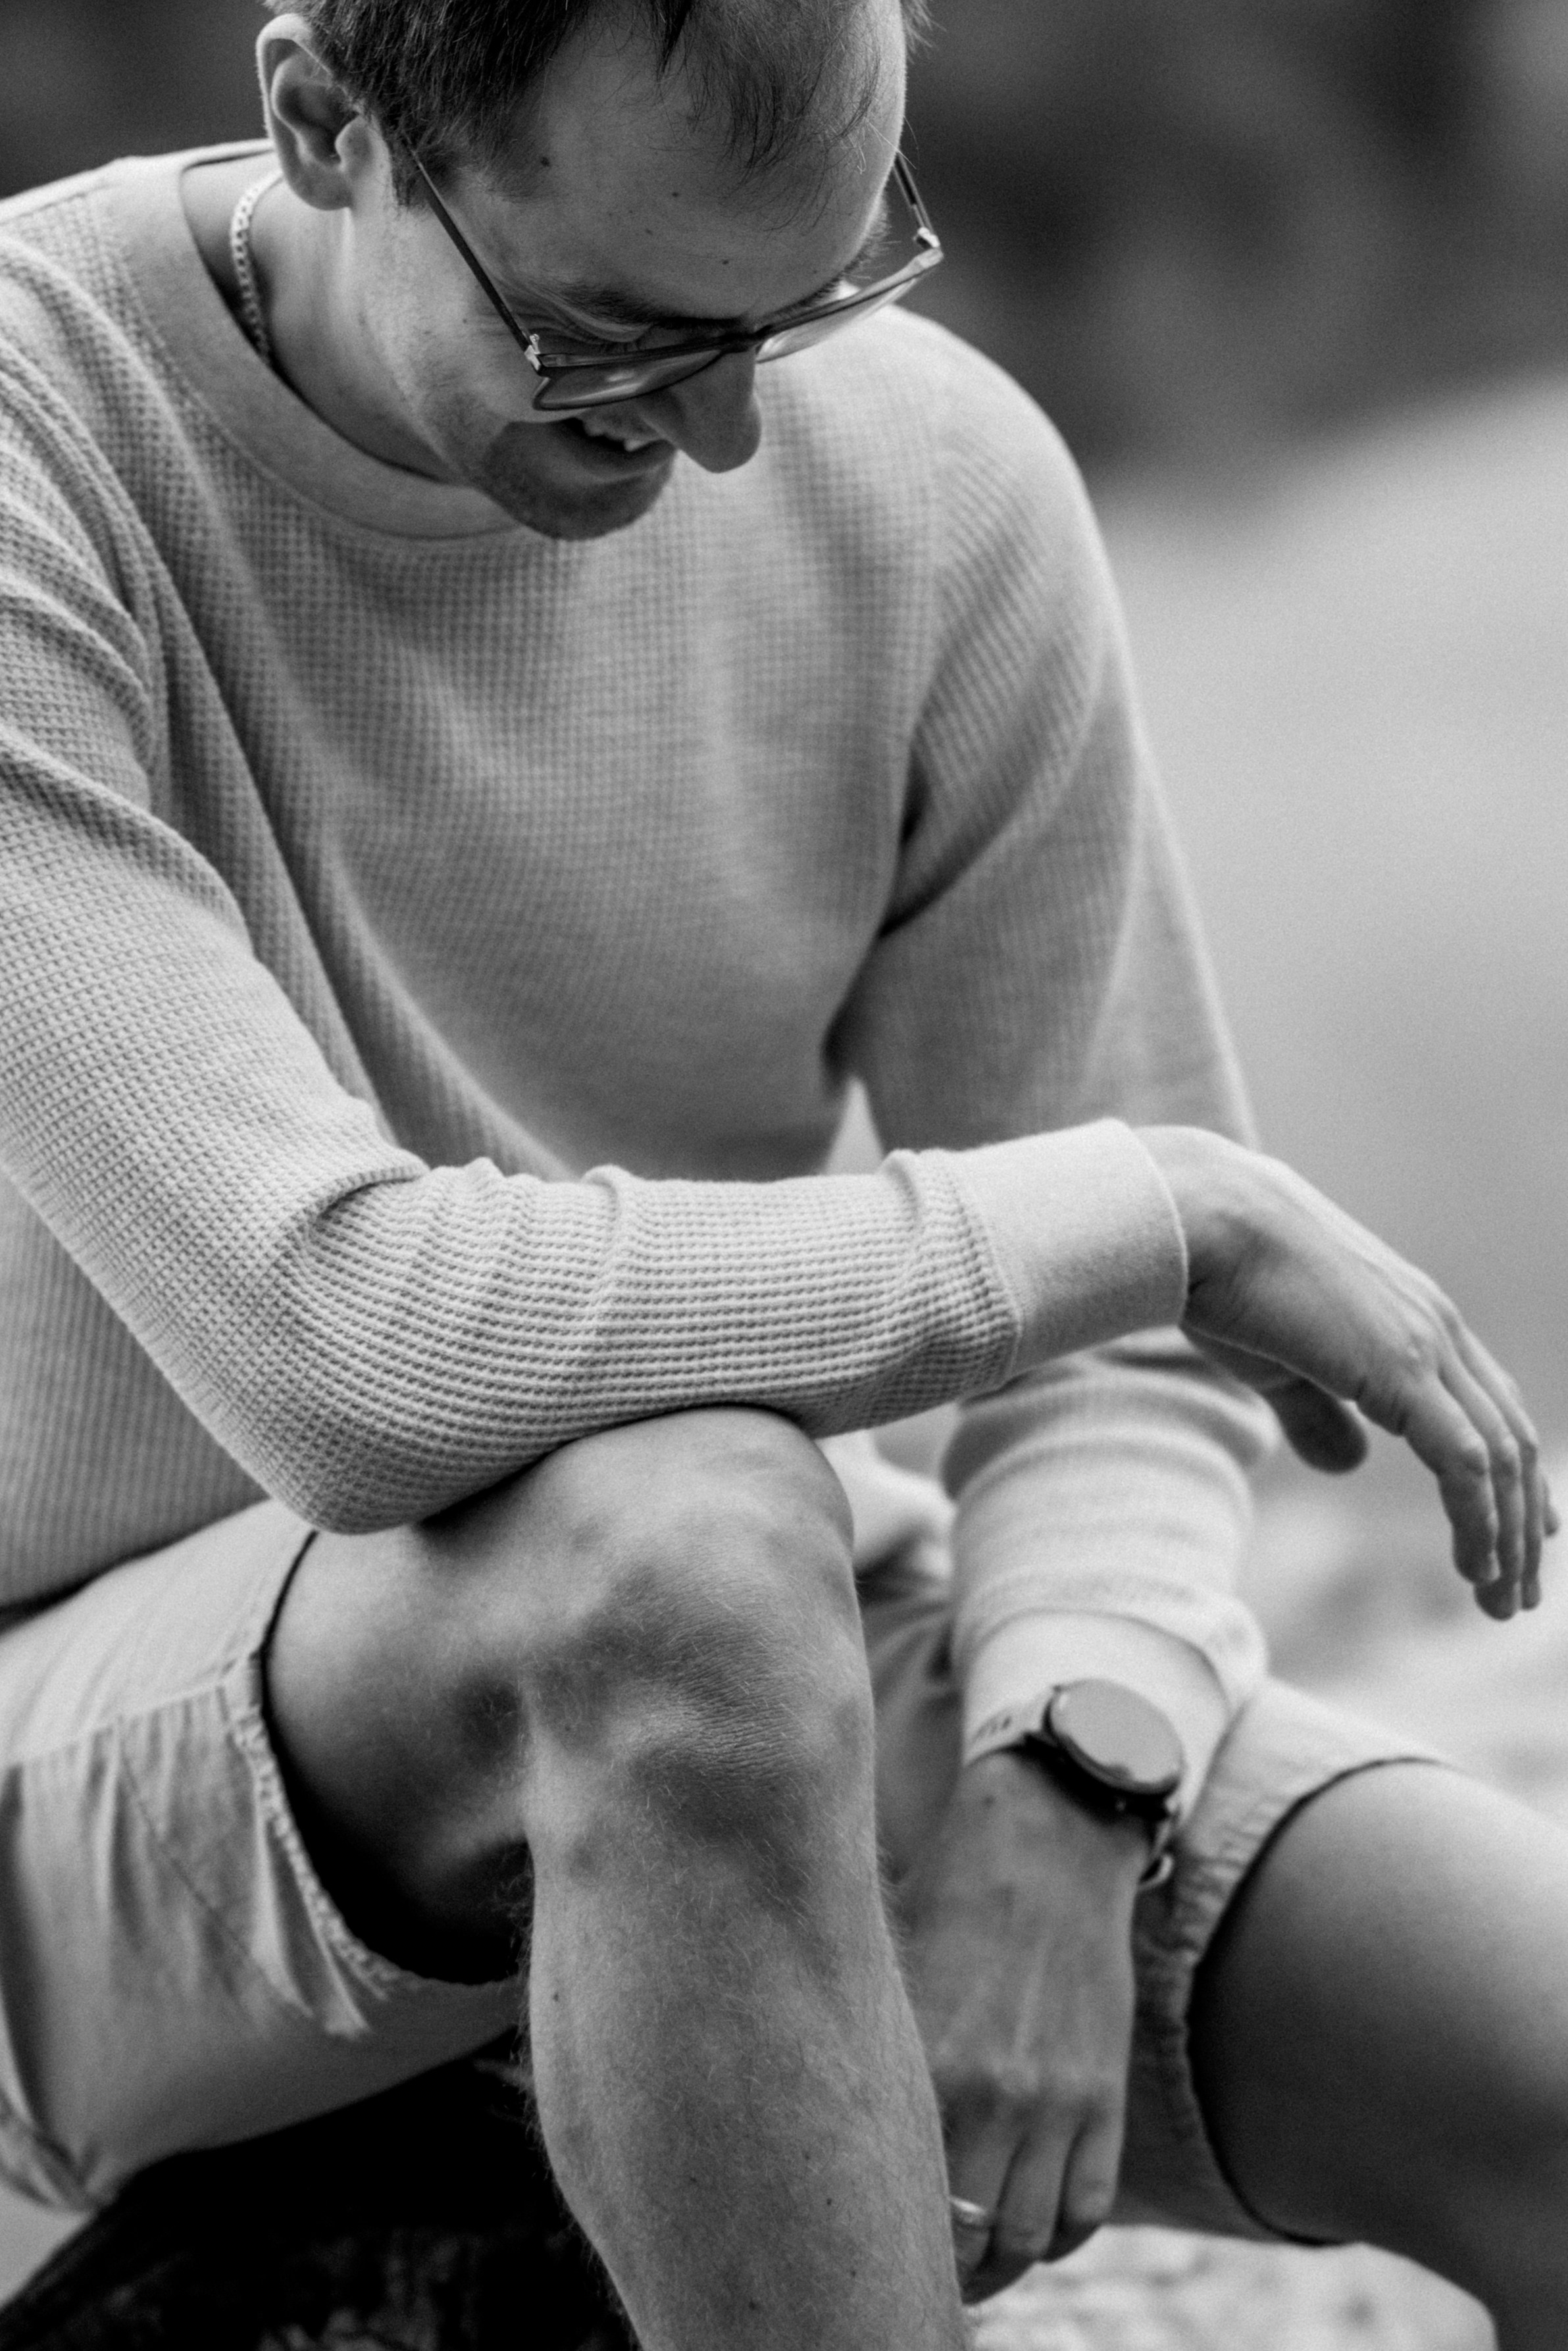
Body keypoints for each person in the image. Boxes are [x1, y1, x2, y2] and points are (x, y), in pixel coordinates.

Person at [0, 1, 1559, 2344]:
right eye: (609, 337)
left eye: (809, 305)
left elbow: (1116, 1370)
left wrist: (1071, 1769)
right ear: (322, 117)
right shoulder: (41, 436)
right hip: (116, 1786)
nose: (730, 431)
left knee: (1536, 2074)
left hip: (741, 1730)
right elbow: (343, 1355)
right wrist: (1160, 1204)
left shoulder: (938, 489)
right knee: (693, 1547)